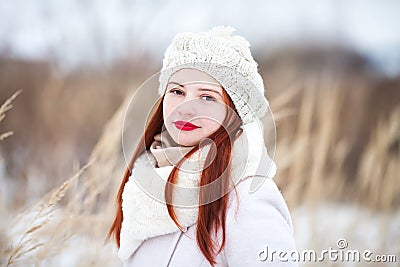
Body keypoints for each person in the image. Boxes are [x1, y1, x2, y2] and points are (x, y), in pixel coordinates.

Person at [108, 25, 298, 266]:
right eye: (177, 91)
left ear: (234, 112)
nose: (185, 108)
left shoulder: (249, 199)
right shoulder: (145, 185)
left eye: (207, 97)